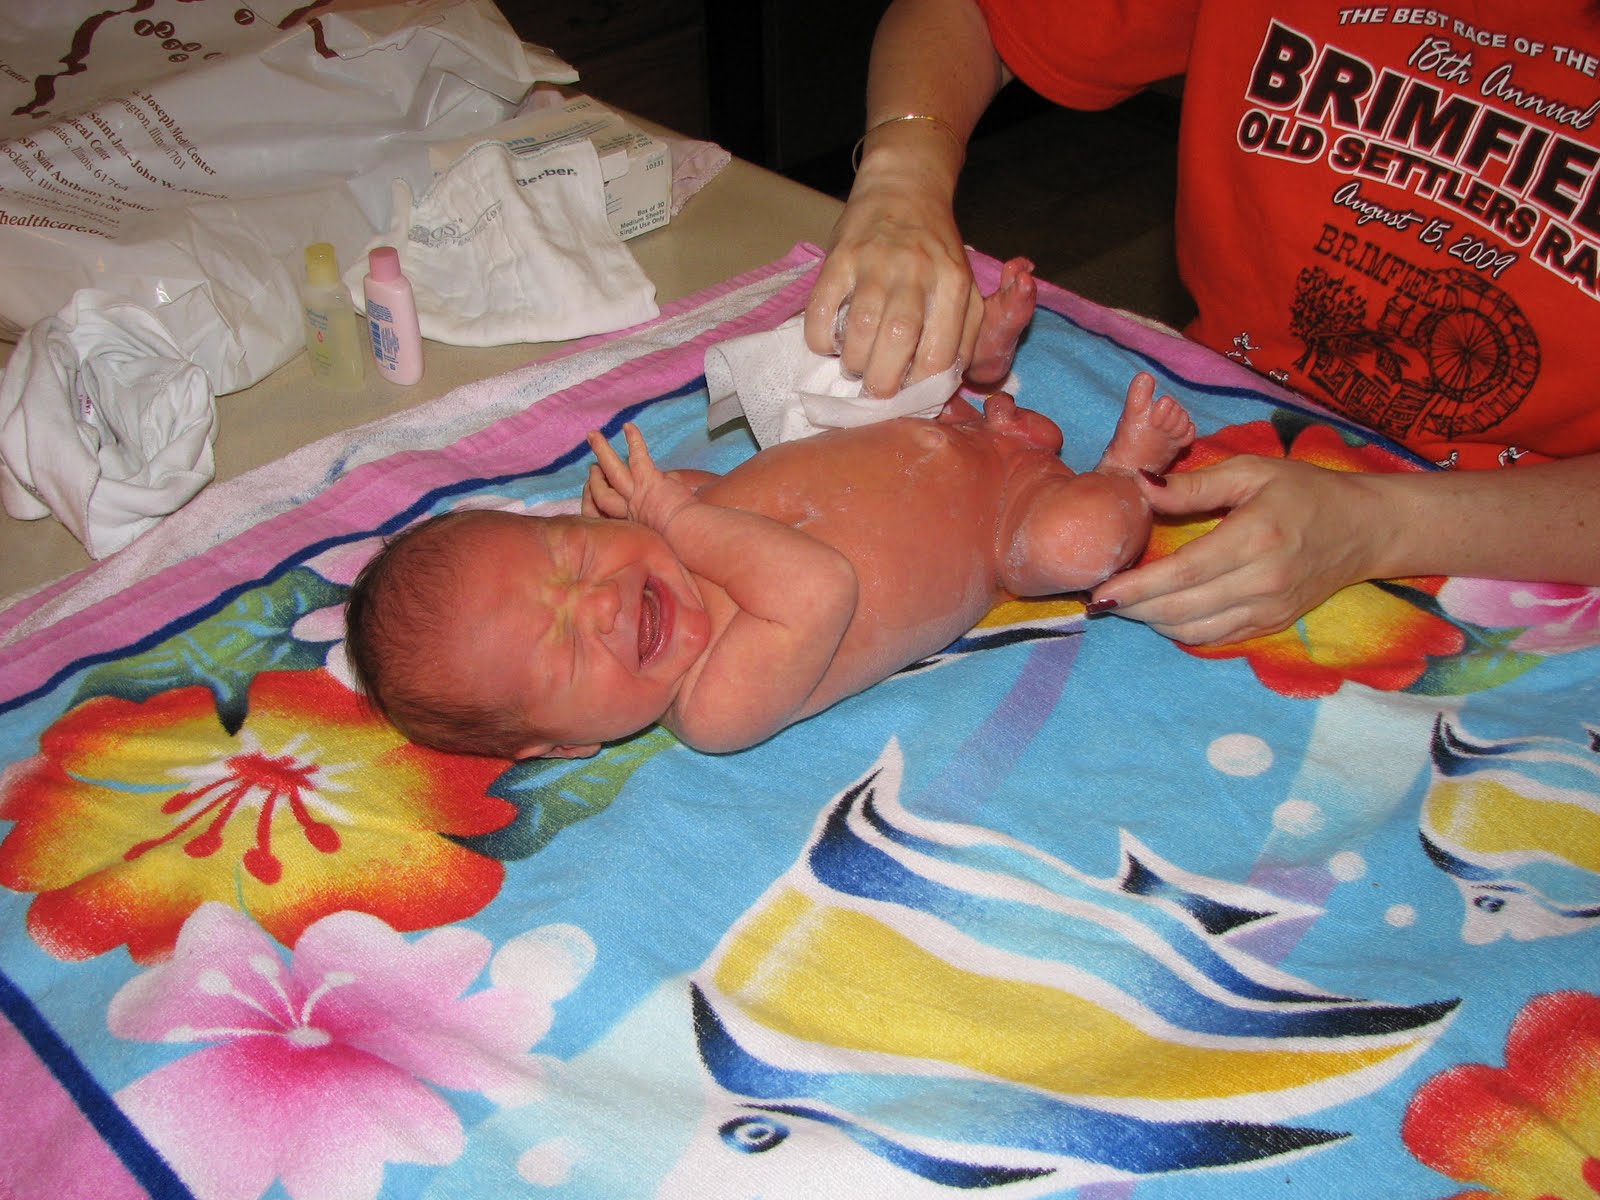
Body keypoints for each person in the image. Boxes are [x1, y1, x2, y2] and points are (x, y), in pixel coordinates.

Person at [806, 0, 1600, 648]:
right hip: (1229, 404)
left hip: (1535, 532)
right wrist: (903, 173)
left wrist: (1383, 528)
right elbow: (972, 14)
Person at [343, 373, 1195, 758]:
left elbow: (754, 490)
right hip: (1006, 520)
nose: (599, 601)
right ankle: (1122, 473)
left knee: (860, 355)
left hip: (943, 431)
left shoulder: (665, 546)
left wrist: (672, 499)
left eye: (568, 557)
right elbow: (817, 583)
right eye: (567, 650)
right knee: (1077, 546)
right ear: (563, 746)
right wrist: (675, 512)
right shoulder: (715, 705)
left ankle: (981, 376)